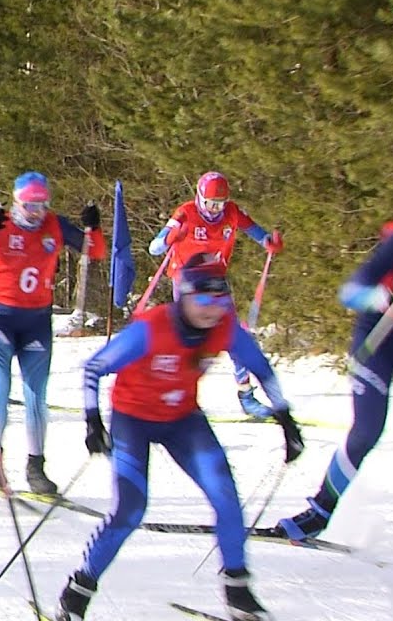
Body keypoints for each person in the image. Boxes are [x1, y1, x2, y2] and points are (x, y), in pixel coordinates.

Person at [56, 254, 304, 621]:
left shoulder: (225, 328)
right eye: (203, 299)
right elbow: (94, 368)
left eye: (220, 300)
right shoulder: (151, 329)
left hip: (182, 419)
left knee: (225, 495)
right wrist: (93, 422)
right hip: (133, 419)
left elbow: (262, 369)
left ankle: (238, 592)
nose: (211, 310)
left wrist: (285, 416)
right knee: (130, 509)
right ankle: (78, 592)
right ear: (183, 297)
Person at [276, 170, 393, 577]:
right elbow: (351, 292)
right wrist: (389, 294)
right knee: (367, 430)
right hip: (381, 337)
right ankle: (320, 510)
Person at [0, 171, 105, 493]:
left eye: (41, 206)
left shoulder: (56, 225)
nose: (35, 214)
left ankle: (36, 467)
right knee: (1, 387)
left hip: (36, 320)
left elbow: (95, 251)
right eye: (29, 206)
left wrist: (94, 227)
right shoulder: (1, 223)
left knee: (37, 394)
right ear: (16, 202)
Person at [148, 171, 284, 419]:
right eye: (210, 203)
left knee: (234, 336)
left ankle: (246, 395)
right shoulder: (186, 212)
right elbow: (155, 248)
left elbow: (255, 231)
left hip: (214, 282)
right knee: (190, 342)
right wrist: (171, 236)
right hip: (187, 284)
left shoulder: (231, 212)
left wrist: (269, 242)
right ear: (200, 198)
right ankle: (173, 396)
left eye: (219, 204)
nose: (214, 210)